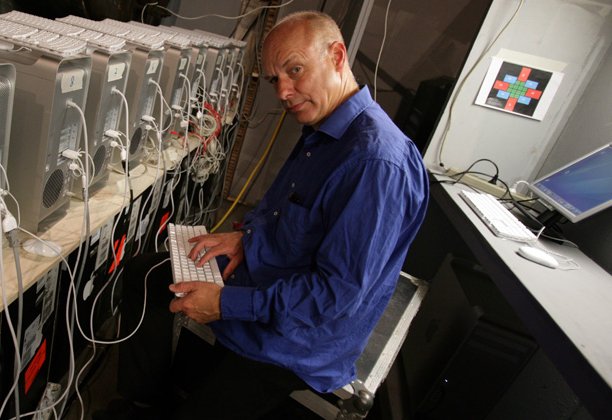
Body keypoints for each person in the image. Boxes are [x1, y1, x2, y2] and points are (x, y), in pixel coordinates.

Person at [94, 10, 429, 420]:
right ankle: (143, 403)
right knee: (145, 275)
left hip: (298, 338)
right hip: (271, 275)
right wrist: (246, 238)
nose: (284, 92)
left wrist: (226, 303)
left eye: (295, 70)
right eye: (274, 79)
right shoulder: (323, 129)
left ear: (337, 56)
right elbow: (287, 212)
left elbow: (333, 297)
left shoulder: (376, 164)